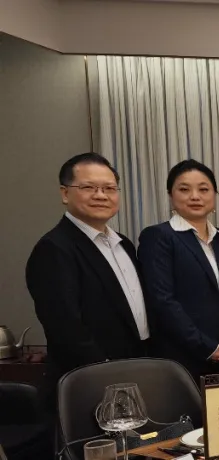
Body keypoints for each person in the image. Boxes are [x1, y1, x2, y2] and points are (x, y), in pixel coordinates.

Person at [26, 153, 149, 409]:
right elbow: (66, 328)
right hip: (90, 384)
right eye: (89, 187)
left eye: (109, 188)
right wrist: (107, 376)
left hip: (135, 372)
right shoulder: (54, 248)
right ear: (65, 193)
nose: (101, 195)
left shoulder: (123, 244)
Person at [139, 159, 219, 378]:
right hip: (180, 356)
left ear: (215, 195)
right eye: (184, 189)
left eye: (203, 189)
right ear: (171, 195)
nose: (195, 196)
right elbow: (162, 301)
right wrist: (206, 346)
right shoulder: (158, 237)